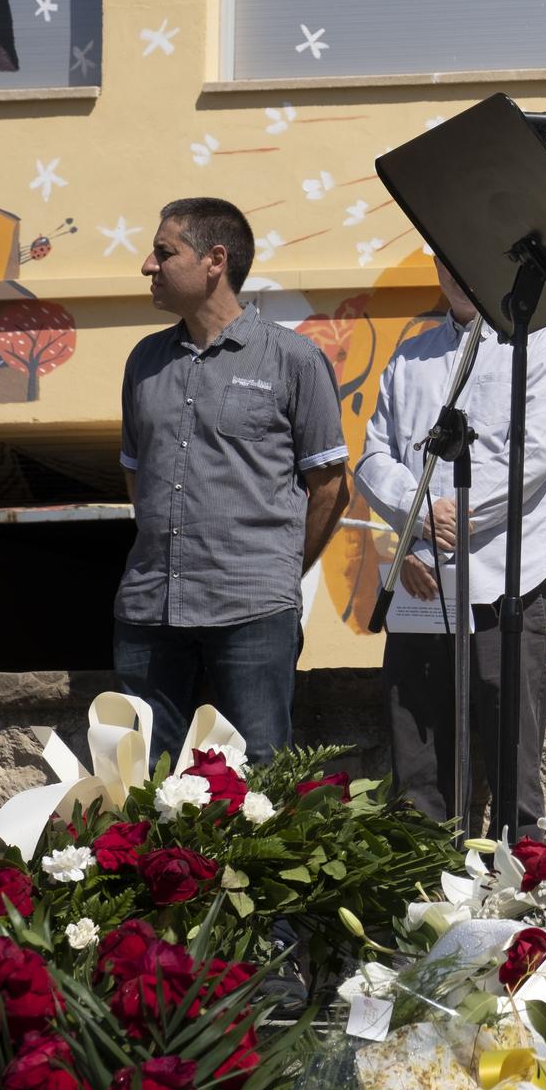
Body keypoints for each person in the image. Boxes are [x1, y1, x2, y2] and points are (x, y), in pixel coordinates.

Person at [115, 197, 349, 763]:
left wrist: (276, 572)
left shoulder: (293, 359)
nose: (149, 265)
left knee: (262, 778)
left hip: (253, 611)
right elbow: (136, 479)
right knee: (141, 781)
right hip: (150, 610)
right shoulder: (144, 361)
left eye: (164, 252)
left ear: (215, 260)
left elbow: (331, 487)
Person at [355, 259, 546, 834]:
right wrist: (421, 513)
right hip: (420, 584)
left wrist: (454, 516)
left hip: (506, 581)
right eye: (442, 257)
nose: (455, 268)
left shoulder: (545, 346)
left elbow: (532, 457)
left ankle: (519, 904)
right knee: (419, 773)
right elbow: (373, 457)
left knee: (514, 772)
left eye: (465, 254)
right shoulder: (410, 355)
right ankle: (421, 902)